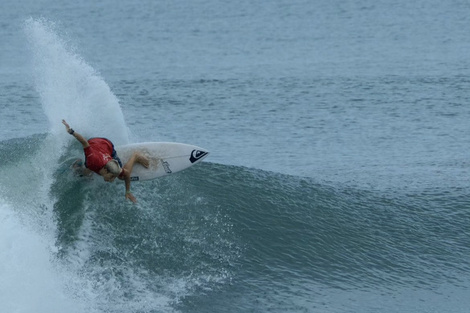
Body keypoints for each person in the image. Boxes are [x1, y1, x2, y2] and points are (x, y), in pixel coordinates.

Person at [62, 119, 149, 203]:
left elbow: (126, 174)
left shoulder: (113, 168)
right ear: (105, 170)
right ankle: (79, 164)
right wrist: (70, 131)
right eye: (112, 177)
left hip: (105, 149)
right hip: (98, 142)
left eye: (112, 177)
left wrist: (127, 191)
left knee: (121, 176)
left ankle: (135, 157)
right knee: (86, 172)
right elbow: (84, 142)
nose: (111, 180)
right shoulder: (93, 160)